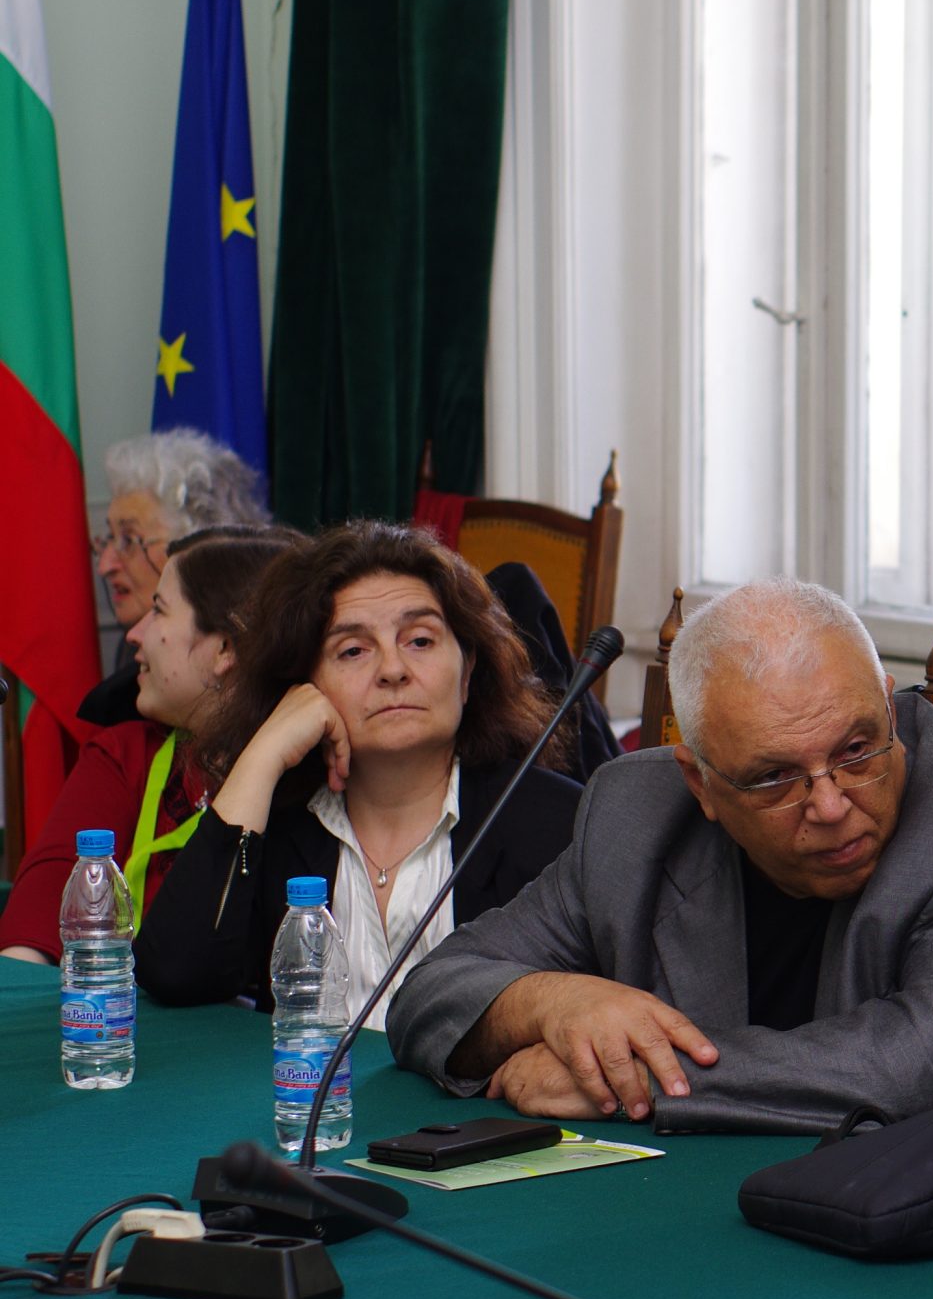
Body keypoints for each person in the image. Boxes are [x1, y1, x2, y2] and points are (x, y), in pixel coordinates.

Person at [384, 578, 933, 1135]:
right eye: (775, 778)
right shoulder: (635, 815)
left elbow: (903, 1070)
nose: (830, 804)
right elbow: (431, 992)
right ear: (700, 783)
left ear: (889, 708)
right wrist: (552, 1001)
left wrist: (628, 1074)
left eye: (857, 750)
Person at [134, 522, 582, 1026]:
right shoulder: (280, 828)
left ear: (467, 672)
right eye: (353, 650)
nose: (393, 669)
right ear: (305, 686)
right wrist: (263, 755)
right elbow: (175, 973)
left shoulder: (557, 827)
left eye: (420, 641)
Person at [1, 528, 298, 963]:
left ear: (225, 649)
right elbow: (32, 929)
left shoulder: (319, 771)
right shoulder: (126, 753)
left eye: (158, 610)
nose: (134, 633)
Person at [82, 430, 270, 726]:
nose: (105, 565)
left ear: (196, 544)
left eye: (129, 540)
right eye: (108, 538)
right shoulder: (128, 655)